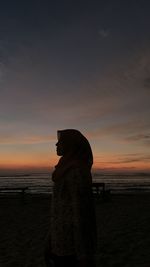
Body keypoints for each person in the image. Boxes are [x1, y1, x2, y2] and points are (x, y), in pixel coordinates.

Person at [45, 129, 97, 267]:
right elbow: (59, 206)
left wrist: (83, 253)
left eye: (60, 142)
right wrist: (51, 237)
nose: (56, 144)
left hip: (71, 245)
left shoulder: (76, 171)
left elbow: (81, 211)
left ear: (70, 145)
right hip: (59, 237)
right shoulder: (64, 167)